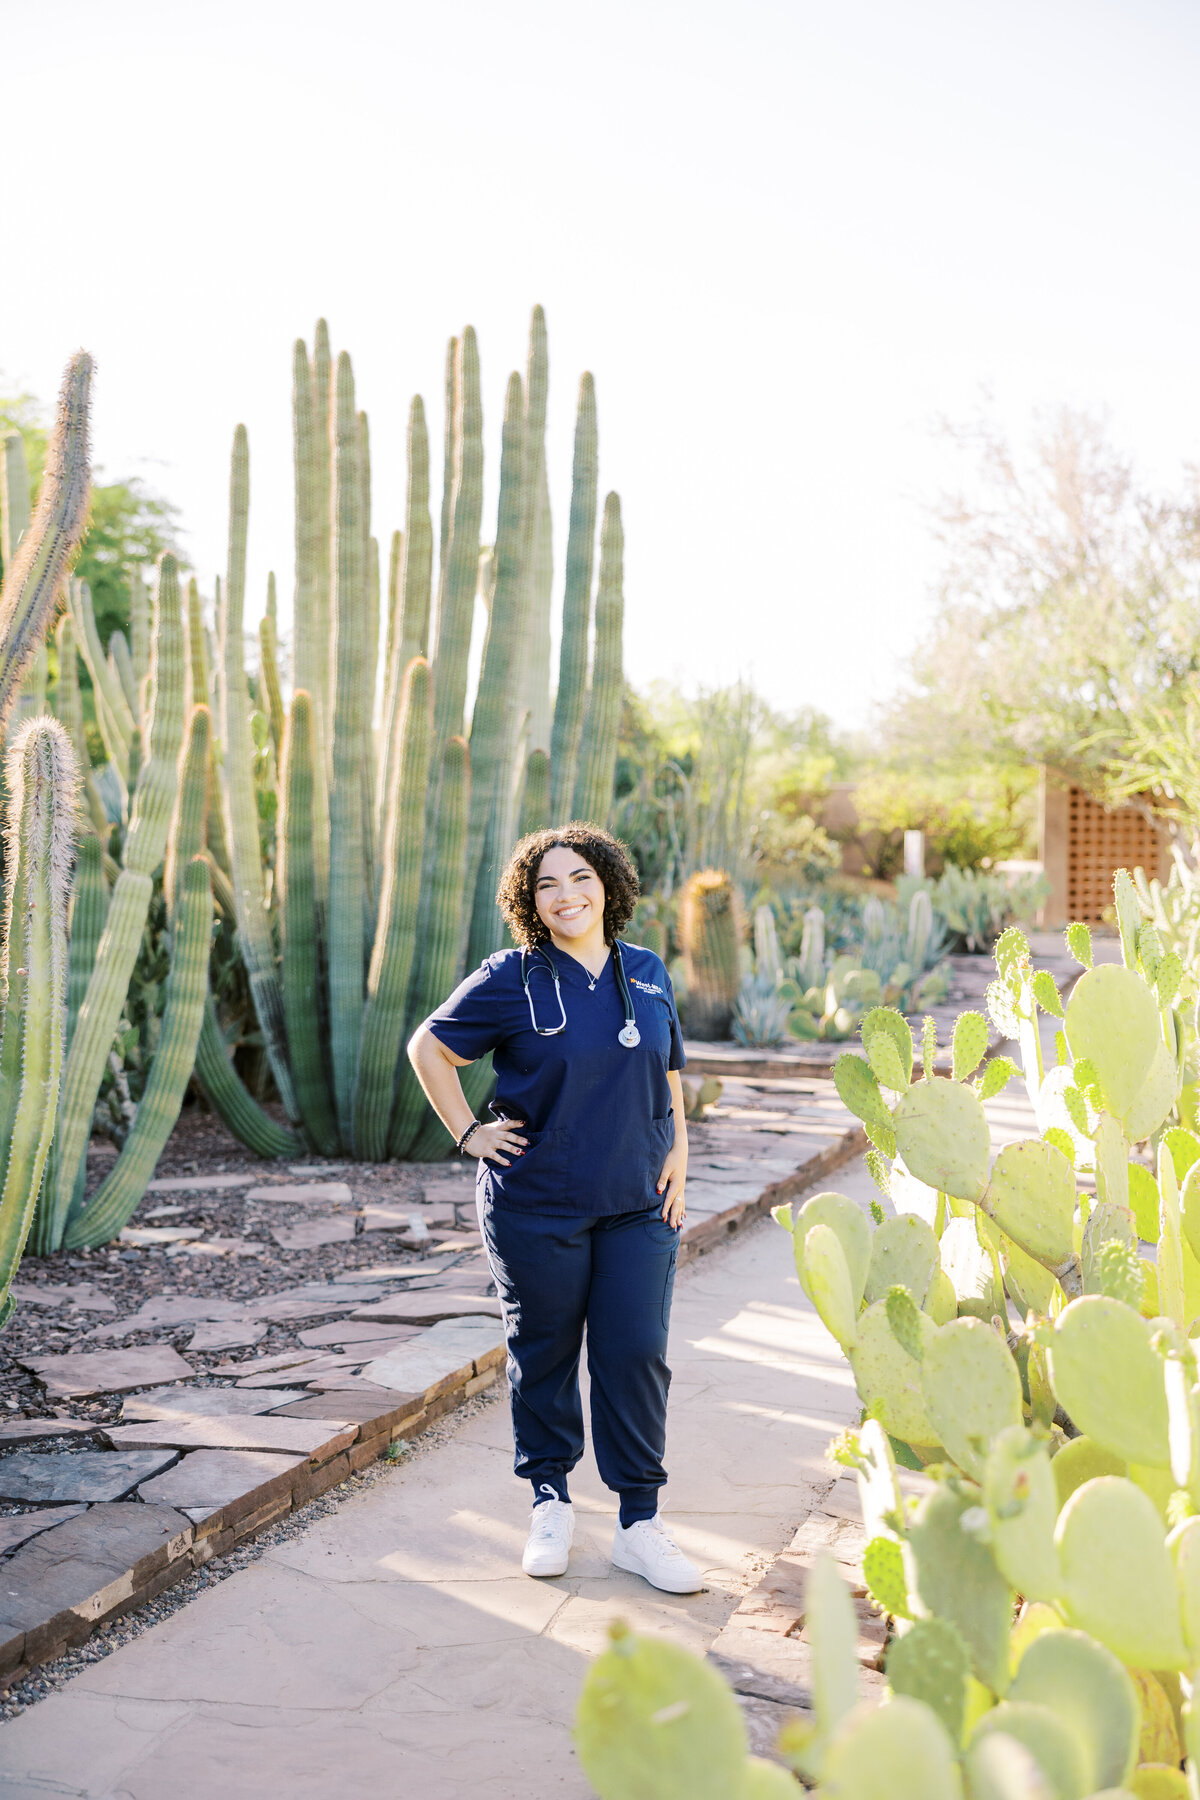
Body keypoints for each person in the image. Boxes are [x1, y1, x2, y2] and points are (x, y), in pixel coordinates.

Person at [407, 822, 703, 1594]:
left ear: (608, 884)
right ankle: (550, 1502)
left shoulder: (645, 970)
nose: (565, 895)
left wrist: (679, 1149)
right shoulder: (511, 977)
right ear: (529, 902)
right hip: (537, 1205)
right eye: (546, 884)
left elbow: (667, 1067)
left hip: (639, 1203)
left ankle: (640, 1523)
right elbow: (428, 1049)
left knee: (635, 1354)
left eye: (579, 878)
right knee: (543, 1354)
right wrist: (469, 1132)